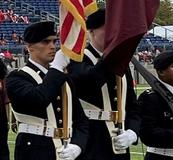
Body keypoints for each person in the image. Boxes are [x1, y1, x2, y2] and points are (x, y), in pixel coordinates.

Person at [5, 21, 89, 160]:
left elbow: (81, 120)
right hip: (35, 151)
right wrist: (56, 67)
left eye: (54, 42)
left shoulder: (63, 78)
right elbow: (39, 99)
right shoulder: (17, 77)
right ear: (30, 47)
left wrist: (78, 145)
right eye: (45, 42)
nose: (52, 47)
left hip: (66, 150)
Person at [67, 9, 140, 160]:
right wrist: (113, 55)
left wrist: (132, 132)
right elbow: (89, 82)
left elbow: (132, 105)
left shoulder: (121, 64)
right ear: (91, 32)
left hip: (119, 141)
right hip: (91, 139)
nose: (114, 34)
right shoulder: (78, 60)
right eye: (108, 29)